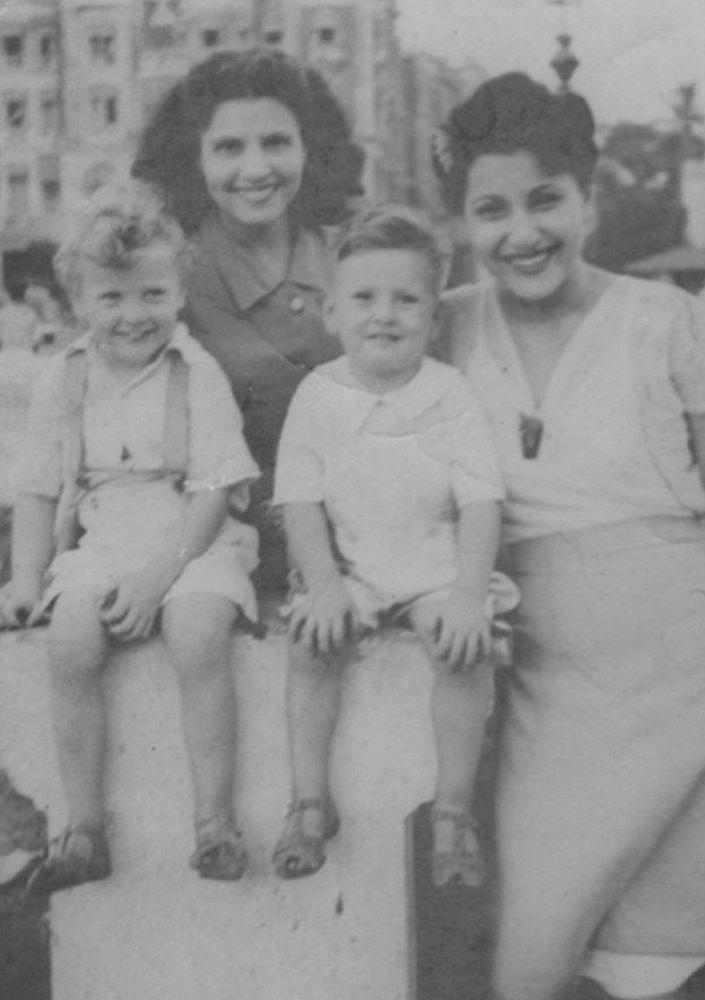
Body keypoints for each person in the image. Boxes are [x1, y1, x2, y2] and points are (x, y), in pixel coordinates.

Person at [432, 73, 705, 1000]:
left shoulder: (668, 322)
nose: (521, 232)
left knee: (688, 965)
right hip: (552, 704)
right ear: (463, 223)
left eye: (546, 200)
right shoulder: (445, 326)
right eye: (491, 211)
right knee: (529, 966)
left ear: (588, 200)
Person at [0, 182, 261, 893]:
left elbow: (214, 490)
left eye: (151, 295)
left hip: (192, 541)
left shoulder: (196, 374)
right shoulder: (64, 381)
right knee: (71, 640)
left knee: (198, 635)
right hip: (102, 542)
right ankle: (83, 828)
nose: (134, 315)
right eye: (112, 298)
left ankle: (214, 823)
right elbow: (39, 490)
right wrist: (23, 578)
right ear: (77, 302)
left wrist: (157, 579)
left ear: (177, 291)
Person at [270, 206, 518, 886]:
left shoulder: (448, 393)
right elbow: (299, 500)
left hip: (436, 570)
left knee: (463, 647)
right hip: (355, 572)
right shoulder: (318, 396)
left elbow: (479, 501)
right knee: (312, 643)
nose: (384, 315)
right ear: (331, 312)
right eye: (364, 298)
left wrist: (469, 593)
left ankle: (454, 813)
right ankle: (310, 803)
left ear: (433, 318)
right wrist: (322, 584)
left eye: (406, 299)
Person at [133, 49, 365, 584]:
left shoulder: (351, 254)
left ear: (310, 148)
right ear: (195, 160)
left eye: (277, 143)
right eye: (229, 148)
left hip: (359, 532)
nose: (256, 170)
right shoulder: (169, 277)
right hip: (225, 546)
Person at [0, 278, 39, 352]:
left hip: (6, 356)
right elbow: (36, 343)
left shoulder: (3, 313)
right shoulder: (31, 313)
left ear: (9, 294)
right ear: (25, 294)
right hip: (26, 356)